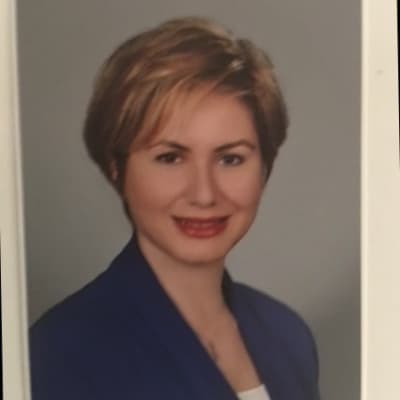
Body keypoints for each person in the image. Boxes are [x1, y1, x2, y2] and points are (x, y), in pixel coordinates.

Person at [29, 17, 320, 400]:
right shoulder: (60, 353)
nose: (204, 194)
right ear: (116, 168)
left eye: (231, 159)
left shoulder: (289, 335)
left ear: (264, 167)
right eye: (170, 157)